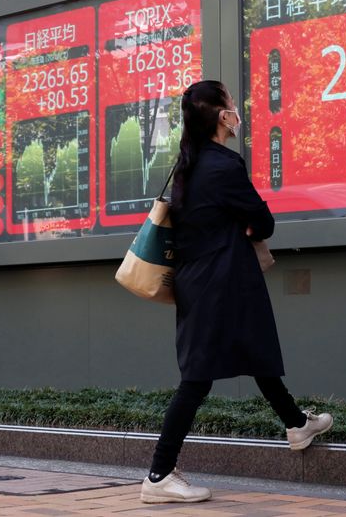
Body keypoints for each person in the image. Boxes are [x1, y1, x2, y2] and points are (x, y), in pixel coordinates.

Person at [140, 80, 333, 504]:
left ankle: (297, 423)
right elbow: (262, 222)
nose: (237, 111)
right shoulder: (224, 165)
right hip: (223, 280)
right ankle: (158, 475)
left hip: (202, 281)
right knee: (196, 380)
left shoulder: (188, 165)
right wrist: (247, 225)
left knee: (255, 350)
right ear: (222, 116)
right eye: (231, 105)